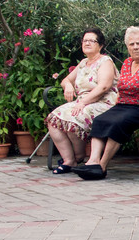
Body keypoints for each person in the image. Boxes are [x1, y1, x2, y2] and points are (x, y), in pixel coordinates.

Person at [75, 26, 139, 180]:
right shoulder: (127, 63)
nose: (135, 47)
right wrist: (115, 107)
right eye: (131, 44)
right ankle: (92, 162)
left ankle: (102, 166)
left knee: (118, 122)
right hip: (125, 106)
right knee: (100, 120)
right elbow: (121, 87)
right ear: (127, 47)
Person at [45, 28, 118, 174]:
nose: (87, 43)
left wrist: (83, 102)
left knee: (73, 118)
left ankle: (79, 155)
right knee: (52, 119)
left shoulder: (105, 61)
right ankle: (69, 160)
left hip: (104, 103)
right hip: (83, 102)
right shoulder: (84, 63)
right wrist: (68, 86)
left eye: (92, 40)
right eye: (85, 40)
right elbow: (65, 80)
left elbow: (104, 86)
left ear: (101, 45)